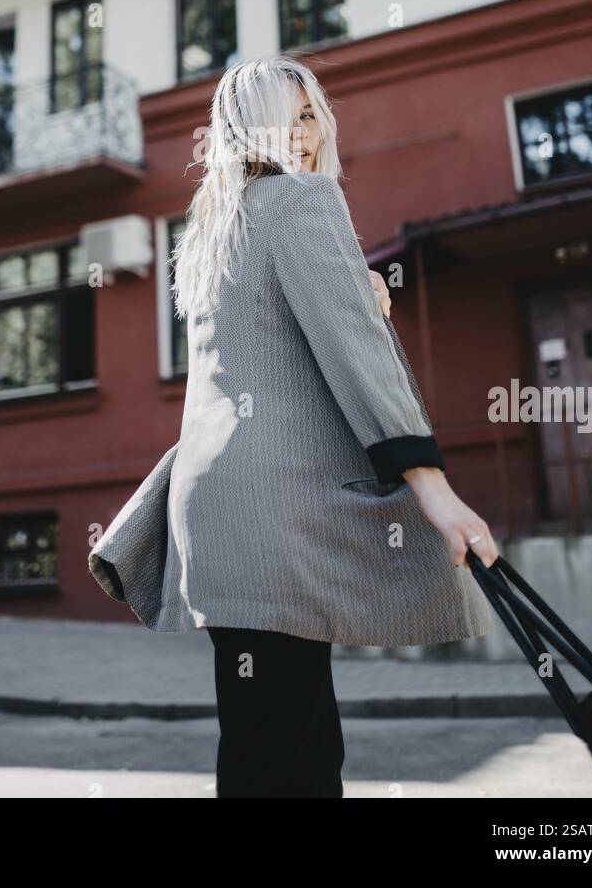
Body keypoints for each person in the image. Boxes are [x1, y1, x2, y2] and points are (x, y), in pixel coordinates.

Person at [89, 55, 499, 798]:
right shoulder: (303, 200)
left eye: (313, 114)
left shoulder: (214, 226)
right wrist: (433, 487)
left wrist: (356, 291)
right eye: (289, 115)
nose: (306, 134)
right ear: (251, 126)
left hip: (218, 509)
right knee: (294, 749)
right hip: (274, 506)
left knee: (269, 734)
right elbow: (358, 356)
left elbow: (267, 354)